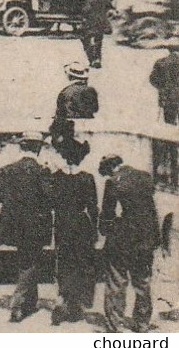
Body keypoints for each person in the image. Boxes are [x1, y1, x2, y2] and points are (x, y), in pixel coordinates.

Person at [0, 131, 53, 322]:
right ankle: (18, 306)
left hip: (12, 225)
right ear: (38, 148)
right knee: (29, 262)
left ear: (22, 146)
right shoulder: (42, 171)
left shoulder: (7, 169)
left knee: (29, 260)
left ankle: (30, 302)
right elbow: (50, 197)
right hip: (35, 225)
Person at [100, 153, 161, 333]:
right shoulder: (145, 177)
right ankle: (142, 323)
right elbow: (151, 210)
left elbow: (108, 214)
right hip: (146, 239)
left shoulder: (113, 182)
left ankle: (114, 325)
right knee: (142, 280)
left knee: (116, 281)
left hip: (123, 239)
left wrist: (105, 231)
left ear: (110, 167)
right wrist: (155, 239)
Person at [48, 136, 99, 325]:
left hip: (62, 224)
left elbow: (51, 202)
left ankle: (63, 300)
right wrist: (95, 229)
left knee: (64, 262)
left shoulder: (56, 178)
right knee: (81, 263)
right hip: (81, 225)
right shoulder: (87, 178)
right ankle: (76, 304)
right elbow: (93, 207)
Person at [80, 0, 113, 69]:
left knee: (86, 41)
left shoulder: (90, 0)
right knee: (98, 42)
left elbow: (85, 11)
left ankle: (92, 60)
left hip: (91, 24)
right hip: (101, 25)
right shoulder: (105, 0)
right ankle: (97, 59)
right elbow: (111, 8)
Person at [149, 43, 179, 125]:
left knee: (169, 123)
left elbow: (152, 79)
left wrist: (162, 88)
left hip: (166, 96)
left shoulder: (161, 62)